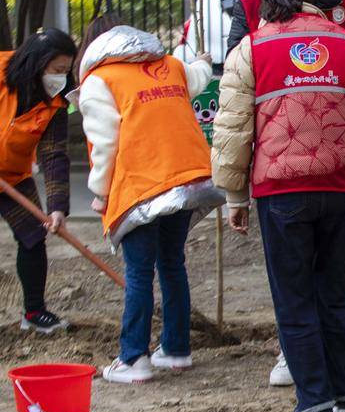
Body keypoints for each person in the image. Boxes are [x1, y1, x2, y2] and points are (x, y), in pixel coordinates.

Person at [212, 0, 345, 412]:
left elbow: (233, 128)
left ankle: (314, 407)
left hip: (282, 192)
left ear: (268, 14)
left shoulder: (250, 49)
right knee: (336, 293)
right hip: (343, 190)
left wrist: (234, 196)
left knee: (295, 299)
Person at [77, 19, 223, 383]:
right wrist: (204, 60)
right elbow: (197, 76)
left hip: (142, 187)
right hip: (188, 177)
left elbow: (105, 144)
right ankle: (175, 350)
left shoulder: (99, 81)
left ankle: (133, 359)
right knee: (172, 263)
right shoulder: (169, 65)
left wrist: (101, 193)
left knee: (139, 272)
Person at [0, 29, 76, 333]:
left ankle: (33, 313)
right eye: (56, 70)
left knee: (33, 236)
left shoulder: (54, 104)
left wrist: (58, 208)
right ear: (37, 62)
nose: (60, 77)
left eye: (65, 71)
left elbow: (54, 154)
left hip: (13, 176)